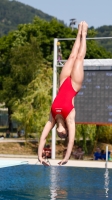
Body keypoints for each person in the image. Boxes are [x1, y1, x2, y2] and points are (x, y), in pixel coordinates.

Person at [38, 21, 88, 166]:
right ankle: (84, 34)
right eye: (62, 135)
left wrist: (40, 156)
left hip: (63, 82)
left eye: (60, 135)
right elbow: (72, 139)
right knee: (79, 59)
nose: (61, 135)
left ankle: (78, 33)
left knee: (72, 57)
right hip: (73, 85)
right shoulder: (70, 118)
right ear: (65, 130)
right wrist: (66, 157)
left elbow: (43, 137)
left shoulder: (52, 118)